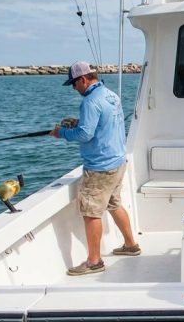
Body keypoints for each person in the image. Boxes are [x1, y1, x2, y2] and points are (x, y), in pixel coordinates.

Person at [50, 61, 140, 276]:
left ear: (83, 79)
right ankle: (130, 245)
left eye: (74, 84)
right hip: (118, 161)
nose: (74, 88)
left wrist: (60, 133)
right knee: (114, 203)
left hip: (100, 167)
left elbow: (84, 135)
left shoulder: (90, 101)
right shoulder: (111, 95)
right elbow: (102, 124)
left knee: (91, 213)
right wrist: (79, 122)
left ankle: (94, 261)